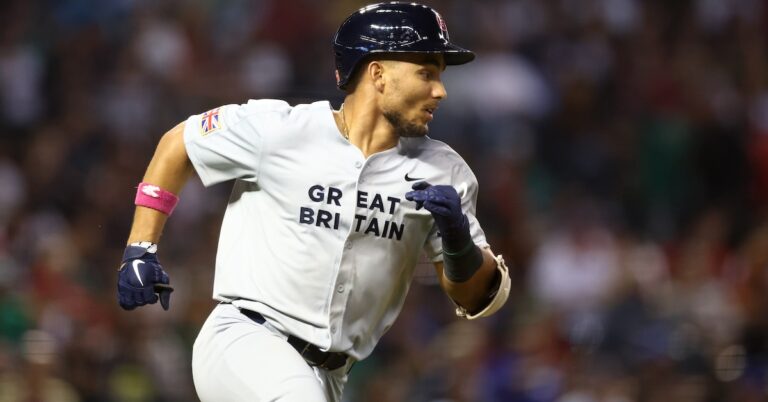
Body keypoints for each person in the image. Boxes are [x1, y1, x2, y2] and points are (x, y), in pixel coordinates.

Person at [116, 2, 511, 401]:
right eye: (426, 73)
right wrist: (140, 248)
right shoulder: (281, 129)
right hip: (246, 340)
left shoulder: (444, 170)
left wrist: (459, 242)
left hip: (331, 376)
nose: (440, 90)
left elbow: (473, 297)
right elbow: (179, 144)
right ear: (378, 73)